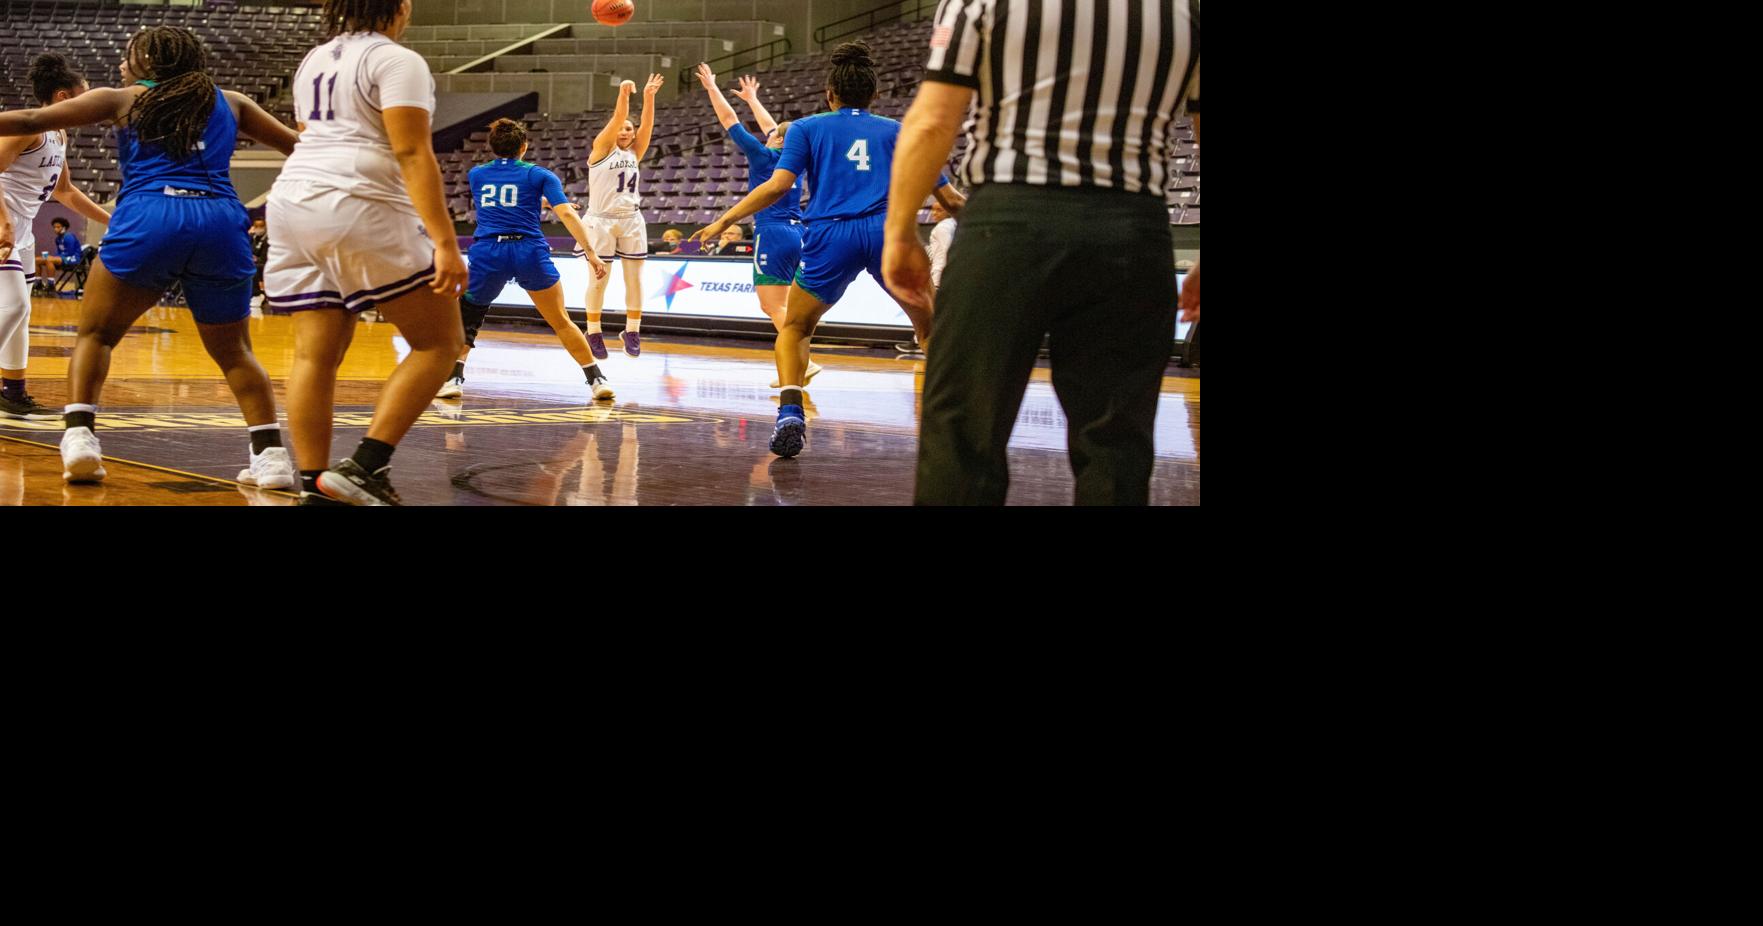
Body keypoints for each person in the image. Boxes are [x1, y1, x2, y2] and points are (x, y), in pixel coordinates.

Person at [884, 0, 1200, 505]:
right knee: (1116, 447)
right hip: (1132, 231)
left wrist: (899, 232)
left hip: (1009, 223)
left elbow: (931, 121)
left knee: (963, 433)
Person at [0, 31, 301, 488]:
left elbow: (30, 118)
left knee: (97, 334)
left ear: (149, 61)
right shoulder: (233, 101)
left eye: (128, 56)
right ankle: (272, 458)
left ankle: (80, 438)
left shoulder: (122, 99)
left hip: (150, 215)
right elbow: (301, 149)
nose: (121, 64)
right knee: (236, 350)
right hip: (220, 219)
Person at [692, 42, 963, 458]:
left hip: (829, 236)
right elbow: (949, 198)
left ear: (829, 94)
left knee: (796, 328)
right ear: (875, 95)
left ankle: (789, 414)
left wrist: (725, 220)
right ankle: (953, 419)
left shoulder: (805, 128)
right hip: (886, 234)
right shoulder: (898, 130)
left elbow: (778, 184)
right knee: (930, 327)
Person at [264, 0, 469, 506]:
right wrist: (445, 241)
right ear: (399, 8)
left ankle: (315, 484)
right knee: (440, 344)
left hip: (291, 200)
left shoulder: (315, 57)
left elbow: (310, 135)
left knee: (315, 354)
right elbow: (411, 150)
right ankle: (365, 466)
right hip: (356, 197)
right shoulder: (398, 60)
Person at [440, 117, 612, 400]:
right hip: (527, 251)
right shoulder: (540, 175)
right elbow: (566, 213)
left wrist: (538, 201)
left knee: (468, 318)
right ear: (524, 146)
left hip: (489, 253)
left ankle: (453, 380)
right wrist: (591, 253)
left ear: (493, 147)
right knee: (560, 320)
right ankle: (597, 380)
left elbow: (503, 199)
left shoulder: (477, 175)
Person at [0, 54, 109, 419]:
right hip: (4, 222)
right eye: (85, 95)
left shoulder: (58, 134)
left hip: (23, 226)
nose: (91, 104)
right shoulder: (29, 127)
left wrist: (113, 220)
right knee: (13, 305)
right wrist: (3, 221)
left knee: (22, 312)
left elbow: (66, 192)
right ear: (64, 97)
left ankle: (12, 390)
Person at [578, 73, 664, 359]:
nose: (626, 131)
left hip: (631, 220)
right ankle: (593, 332)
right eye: (622, 128)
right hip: (600, 220)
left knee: (635, 280)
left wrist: (649, 97)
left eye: (630, 129)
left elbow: (648, 126)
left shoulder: (635, 153)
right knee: (599, 281)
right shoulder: (601, 149)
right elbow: (617, 117)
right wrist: (624, 94)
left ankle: (633, 330)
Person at [33, 218, 83, 289]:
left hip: (72, 259)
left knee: (49, 260)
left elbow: (70, 253)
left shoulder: (69, 237)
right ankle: (38, 282)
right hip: (63, 258)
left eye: (58, 227)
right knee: (36, 260)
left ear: (64, 228)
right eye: (54, 227)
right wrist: (54, 257)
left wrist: (54, 258)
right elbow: (59, 252)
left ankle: (51, 284)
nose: (55, 229)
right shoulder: (58, 239)